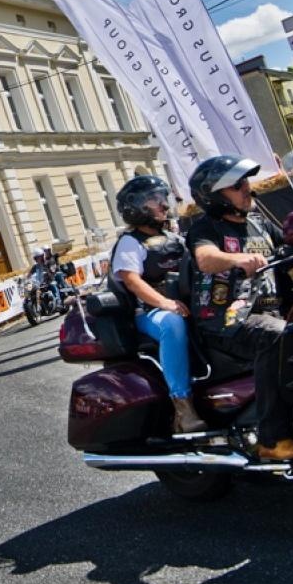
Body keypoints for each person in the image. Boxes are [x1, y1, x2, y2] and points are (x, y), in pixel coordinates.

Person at [184, 155, 293, 462]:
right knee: (275, 334)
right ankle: (272, 439)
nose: (246, 188)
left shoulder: (259, 224)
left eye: (246, 182)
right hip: (228, 322)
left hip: (273, 312)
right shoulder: (205, 228)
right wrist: (236, 260)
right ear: (215, 196)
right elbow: (205, 258)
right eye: (237, 185)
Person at [106, 174, 204, 435]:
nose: (163, 204)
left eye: (163, 198)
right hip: (148, 313)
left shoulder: (173, 237)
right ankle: (183, 407)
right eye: (154, 200)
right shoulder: (130, 242)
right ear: (136, 207)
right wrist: (165, 303)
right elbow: (131, 281)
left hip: (181, 304)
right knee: (171, 324)